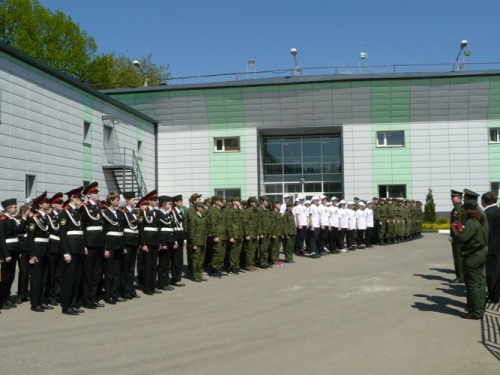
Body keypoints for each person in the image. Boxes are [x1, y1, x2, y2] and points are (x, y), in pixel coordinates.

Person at [452, 189, 488, 319]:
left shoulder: (472, 222)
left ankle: (475, 311)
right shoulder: (482, 218)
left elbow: (462, 237)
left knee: (472, 284)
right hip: (480, 252)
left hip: (473, 254)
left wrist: (456, 237)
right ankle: (479, 308)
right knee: (479, 283)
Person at [59, 187, 85, 315]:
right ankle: (66, 305)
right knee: (69, 279)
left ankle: (73, 303)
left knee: (76, 278)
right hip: (71, 249)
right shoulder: (65, 213)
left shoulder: (77, 212)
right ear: (72, 198)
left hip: (78, 248)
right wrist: (66, 252)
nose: (81, 200)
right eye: (79, 198)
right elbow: (63, 235)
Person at [80, 182, 105, 308]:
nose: (97, 194)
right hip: (90, 244)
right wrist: (84, 245)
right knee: (88, 273)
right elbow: (82, 227)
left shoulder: (98, 207)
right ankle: (87, 299)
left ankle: (94, 297)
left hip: (99, 244)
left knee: (97, 273)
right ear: (89, 195)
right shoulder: (84, 208)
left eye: (97, 192)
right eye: (95, 193)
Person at [26, 191, 52, 312]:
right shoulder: (34, 219)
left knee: (45, 278)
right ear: (40, 205)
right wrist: (31, 254)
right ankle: (35, 303)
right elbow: (30, 238)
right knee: (37, 278)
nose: (48, 203)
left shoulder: (46, 217)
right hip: (37, 250)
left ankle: (43, 301)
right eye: (46, 202)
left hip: (46, 249)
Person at [101, 192, 126, 304]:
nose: (118, 202)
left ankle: (115, 294)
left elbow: (122, 231)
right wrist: (105, 248)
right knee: (109, 272)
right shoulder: (105, 213)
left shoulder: (120, 213)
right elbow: (103, 232)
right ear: (111, 201)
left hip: (119, 245)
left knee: (117, 271)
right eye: (116, 200)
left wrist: (123, 246)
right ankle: (108, 295)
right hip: (110, 245)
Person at [138, 190, 161, 296]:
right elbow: (141, 229)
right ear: (148, 200)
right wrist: (143, 244)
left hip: (155, 241)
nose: (155, 201)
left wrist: (160, 242)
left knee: (154, 265)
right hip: (147, 242)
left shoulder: (156, 212)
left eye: (156, 199)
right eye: (153, 199)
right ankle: (147, 287)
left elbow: (158, 228)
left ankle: (153, 286)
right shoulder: (143, 212)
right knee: (148, 265)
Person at [0, 198, 21, 311]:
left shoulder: (12, 220)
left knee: (11, 276)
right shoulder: (2, 220)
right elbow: (2, 239)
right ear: (8, 208)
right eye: (14, 207)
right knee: (5, 277)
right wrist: (6, 254)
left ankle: (6, 298)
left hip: (14, 250)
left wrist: (18, 252)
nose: (16, 208)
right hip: (7, 251)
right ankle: (2, 299)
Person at [120, 192, 141, 299]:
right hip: (127, 243)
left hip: (134, 243)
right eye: (133, 199)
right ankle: (124, 291)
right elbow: (122, 231)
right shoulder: (122, 213)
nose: (134, 201)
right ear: (127, 201)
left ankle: (131, 289)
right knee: (125, 268)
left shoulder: (133, 213)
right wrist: (123, 246)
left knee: (131, 268)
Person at [481, 191, 500, 303]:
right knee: (496, 270)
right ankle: (495, 293)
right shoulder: (497, 210)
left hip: (492, 247)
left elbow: (486, 231)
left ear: (484, 201)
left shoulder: (488, 213)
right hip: (497, 246)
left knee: (492, 272)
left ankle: (494, 296)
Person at [47, 193, 64, 306]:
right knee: (52, 273)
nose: (61, 204)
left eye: (62, 202)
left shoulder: (63, 215)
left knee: (60, 273)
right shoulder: (49, 216)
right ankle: (51, 296)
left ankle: (58, 294)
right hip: (52, 247)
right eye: (59, 203)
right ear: (53, 205)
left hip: (61, 247)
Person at [156, 195, 175, 291]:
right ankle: (162, 283)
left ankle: (166, 282)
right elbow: (159, 230)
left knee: (167, 263)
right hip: (164, 241)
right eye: (168, 203)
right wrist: (162, 243)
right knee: (163, 264)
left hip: (170, 240)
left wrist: (174, 241)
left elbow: (171, 228)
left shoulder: (168, 214)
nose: (170, 205)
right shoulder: (159, 214)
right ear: (163, 204)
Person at [207, 195, 228, 276]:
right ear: (216, 201)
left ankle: (219, 268)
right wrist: (215, 235)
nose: (222, 202)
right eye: (220, 200)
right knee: (216, 253)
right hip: (218, 236)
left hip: (223, 235)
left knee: (222, 253)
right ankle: (214, 269)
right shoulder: (213, 211)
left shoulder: (220, 210)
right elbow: (212, 224)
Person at [187, 202, 208, 282]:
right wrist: (193, 243)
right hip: (196, 242)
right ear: (197, 208)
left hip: (202, 241)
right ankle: (196, 275)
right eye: (201, 207)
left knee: (201, 259)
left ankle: (200, 274)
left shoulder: (202, 217)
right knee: (196, 259)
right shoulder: (194, 217)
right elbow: (192, 231)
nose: (203, 208)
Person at [449, 190, 465, 283]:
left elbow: (458, 224)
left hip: (457, 236)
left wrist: (456, 237)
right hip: (456, 236)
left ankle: (460, 277)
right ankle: (460, 275)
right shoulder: (456, 208)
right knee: (457, 257)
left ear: (459, 198)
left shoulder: (458, 209)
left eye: (453, 197)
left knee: (458, 257)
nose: (451, 199)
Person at [226, 196, 244, 274]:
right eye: (237, 201)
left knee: (238, 252)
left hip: (239, 234)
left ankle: (237, 266)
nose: (239, 202)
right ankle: (232, 266)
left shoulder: (240, 211)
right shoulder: (231, 211)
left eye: (239, 201)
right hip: (234, 234)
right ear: (233, 202)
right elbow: (228, 225)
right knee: (233, 252)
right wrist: (231, 236)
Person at [171, 195, 187, 286]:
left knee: (180, 259)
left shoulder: (180, 212)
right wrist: (175, 241)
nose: (182, 203)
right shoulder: (172, 212)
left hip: (180, 236)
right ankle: (175, 279)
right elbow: (173, 227)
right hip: (176, 237)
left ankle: (178, 277)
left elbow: (182, 226)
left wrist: (184, 238)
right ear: (175, 202)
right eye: (180, 201)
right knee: (176, 259)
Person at [242, 197, 260, 272]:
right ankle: (249, 265)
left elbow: (257, 224)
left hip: (254, 234)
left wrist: (258, 234)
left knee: (253, 251)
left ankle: (252, 264)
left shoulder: (255, 211)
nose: (256, 204)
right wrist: (247, 234)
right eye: (255, 203)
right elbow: (245, 223)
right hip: (250, 234)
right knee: (249, 251)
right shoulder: (248, 211)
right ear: (251, 203)